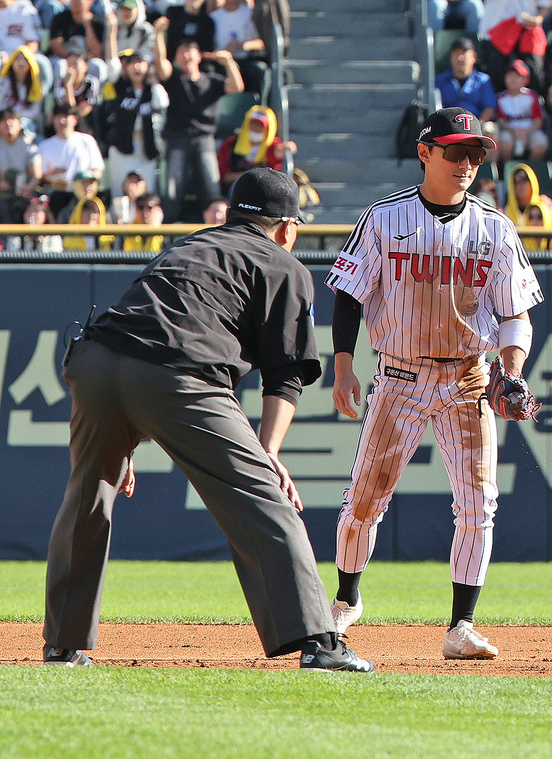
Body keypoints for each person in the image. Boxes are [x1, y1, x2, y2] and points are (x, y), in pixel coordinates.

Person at [43, 167, 373, 672]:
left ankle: (63, 646)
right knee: (264, 498)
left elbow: (142, 333)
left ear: (232, 214)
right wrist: (269, 456)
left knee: (89, 496)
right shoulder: (284, 264)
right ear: (287, 228)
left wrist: (123, 437)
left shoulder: (187, 246)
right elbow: (285, 376)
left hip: (94, 363)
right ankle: (318, 641)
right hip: (176, 375)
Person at [325, 108, 544, 660]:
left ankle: (461, 627)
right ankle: (345, 602)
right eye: (455, 152)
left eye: (475, 154)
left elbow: (516, 313)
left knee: (478, 503)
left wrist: (513, 372)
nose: (467, 163)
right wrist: (345, 364)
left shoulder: (495, 227)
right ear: (425, 153)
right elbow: (349, 292)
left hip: (468, 378)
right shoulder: (383, 218)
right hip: (399, 373)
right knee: (365, 500)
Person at [156, 34, 244, 222]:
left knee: (211, 186)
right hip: (177, 138)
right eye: (181, 52)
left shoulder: (211, 80)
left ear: (199, 56)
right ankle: (169, 230)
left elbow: (236, 87)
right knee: (172, 188)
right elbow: (161, 66)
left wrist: (228, 62)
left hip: (204, 139)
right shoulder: (174, 79)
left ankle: (216, 224)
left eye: (189, 51)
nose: (185, 55)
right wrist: (158, 35)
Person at [103, 48, 167, 190]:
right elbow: (112, 67)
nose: (137, 66)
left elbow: (162, 103)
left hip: (146, 148)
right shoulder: (120, 87)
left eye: (140, 62)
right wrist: (111, 33)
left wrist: (154, 80)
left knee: (147, 190)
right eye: (132, 63)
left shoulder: (151, 91)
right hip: (122, 147)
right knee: (120, 192)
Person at [495, 60, 549, 162]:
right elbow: (500, 121)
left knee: (541, 144)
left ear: (525, 79)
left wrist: (525, 133)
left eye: (517, 76)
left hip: (530, 130)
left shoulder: (532, 96)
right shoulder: (501, 98)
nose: (513, 79)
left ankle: (528, 171)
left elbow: (539, 121)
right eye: (510, 75)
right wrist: (514, 131)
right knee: (504, 144)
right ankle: (509, 171)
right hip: (509, 131)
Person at [0, 106, 39, 222]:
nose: (8, 122)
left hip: (23, 193)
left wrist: (27, 187)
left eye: (12, 119)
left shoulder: (29, 146)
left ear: (20, 124)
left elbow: (37, 175)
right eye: (4, 120)